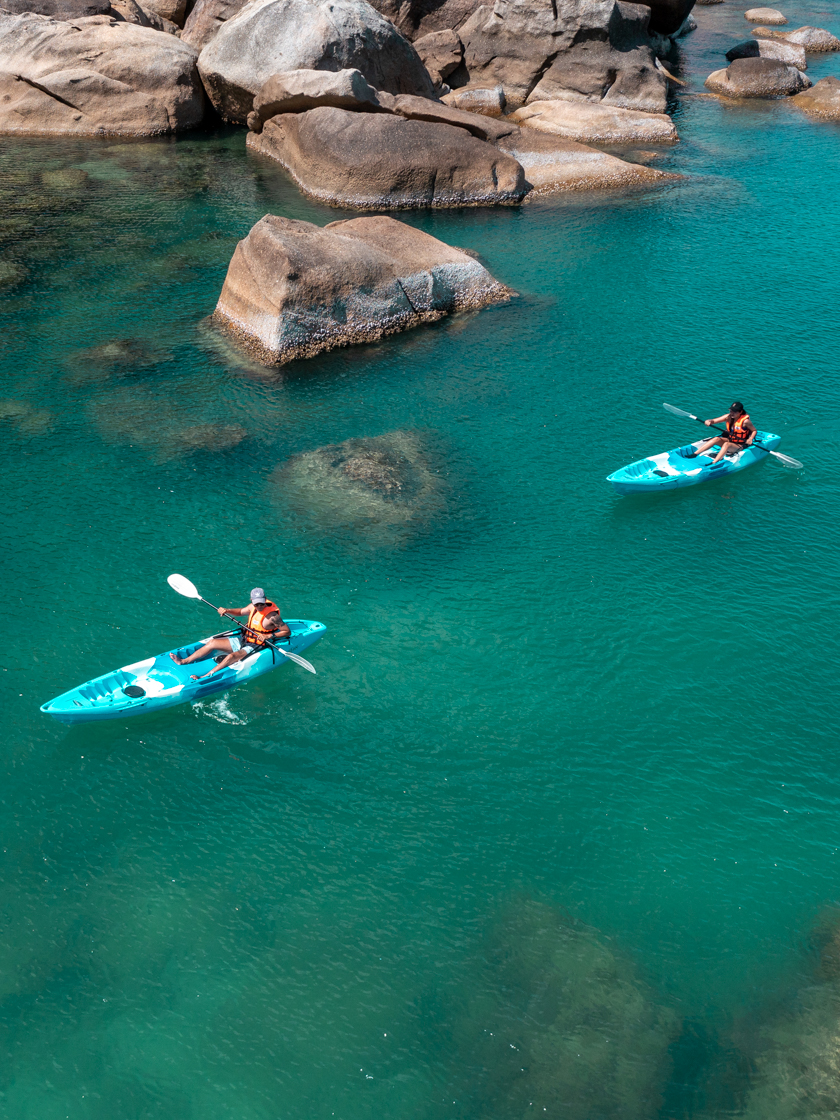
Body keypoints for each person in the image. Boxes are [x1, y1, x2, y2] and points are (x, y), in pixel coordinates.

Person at [171, 587, 290, 680]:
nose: (259, 606)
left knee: (231, 657)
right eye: (256, 604)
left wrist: (270, 636)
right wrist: (227, 610)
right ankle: (184, 661)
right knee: (212, 643)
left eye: (261, 604)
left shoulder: (273, 617)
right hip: (245, 639)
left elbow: (286, 632)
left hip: (257, 645)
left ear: (265, 600)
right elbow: (240, 611)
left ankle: (205, 676)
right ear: (252, 601)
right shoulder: (252, 607)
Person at [689, 401, 756, 463]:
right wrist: (708, 421)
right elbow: (714, 421)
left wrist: (750, 439)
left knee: (726, 444)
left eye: (734, 411)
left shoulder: (745, 422)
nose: (732, 413)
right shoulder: (728, 417)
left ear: (740, 412)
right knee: (716, 439)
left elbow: (754, 431)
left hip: (739, 445)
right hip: (731, 439)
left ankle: (714, 462)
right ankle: (695, 454)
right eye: (731, 410)